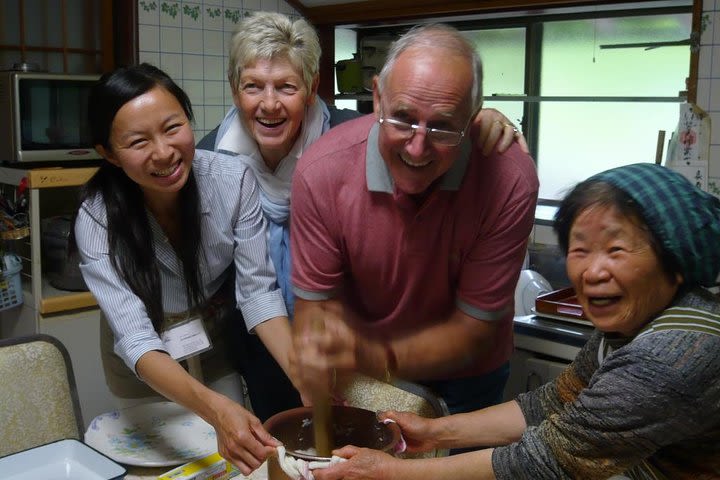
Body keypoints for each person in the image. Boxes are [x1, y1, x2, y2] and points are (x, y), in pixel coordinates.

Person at [196, 12, 529, 419]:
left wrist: (469, 122)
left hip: (425, 365)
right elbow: (261, 288)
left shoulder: (358, 140)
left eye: (286, 86)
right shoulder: (217, 161)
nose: (269, 103)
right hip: (298, 344)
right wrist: (309, 364)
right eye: (253, 86)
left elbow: (475, 330)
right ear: (235, 91)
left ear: (311, 88)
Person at [310, 162, 720, 480]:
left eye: (616, 249)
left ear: (674, 261)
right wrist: (434, 433)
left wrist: (391, 471)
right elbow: (554, 401)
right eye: (580, 249)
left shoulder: (669, 358)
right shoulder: (628, 324)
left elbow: (546, 460)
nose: (593, 271)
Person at [289, 22, 539, 421]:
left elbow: (474, 331)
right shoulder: (322, 172)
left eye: (442, 125)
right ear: (377, 97)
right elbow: (315, 304)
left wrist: (375, 354)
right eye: (402, 118)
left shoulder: (508, 179)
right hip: (363, 371)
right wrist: (316, 351)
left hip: (467, 377)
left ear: (473, 117)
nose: (418, 147)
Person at [73, 63, 289, 475]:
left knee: (228, 458)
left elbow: (258, 293)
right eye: (138, 141)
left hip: (213, 336)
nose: (164, 152)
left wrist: (301, 372)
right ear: (109, 154)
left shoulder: (232, 179)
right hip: (145, 358)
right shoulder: (97, 217)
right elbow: (136, 339)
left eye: (173, 127)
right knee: (160, 465)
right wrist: (215, 410)